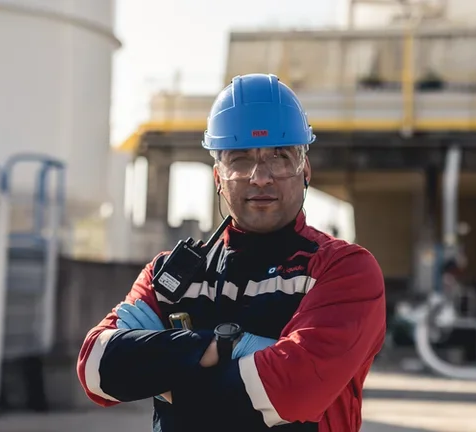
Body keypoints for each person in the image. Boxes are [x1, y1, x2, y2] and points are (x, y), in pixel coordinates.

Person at [76, 73, 386, 431]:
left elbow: (289, 393)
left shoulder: (343, 270)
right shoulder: (171, 276)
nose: (260, 177)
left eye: (280, 156)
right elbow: (96, 368)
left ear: (305, 172)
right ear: (218, 178)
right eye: (240, 159)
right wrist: (221, 348)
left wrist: (165, 370)